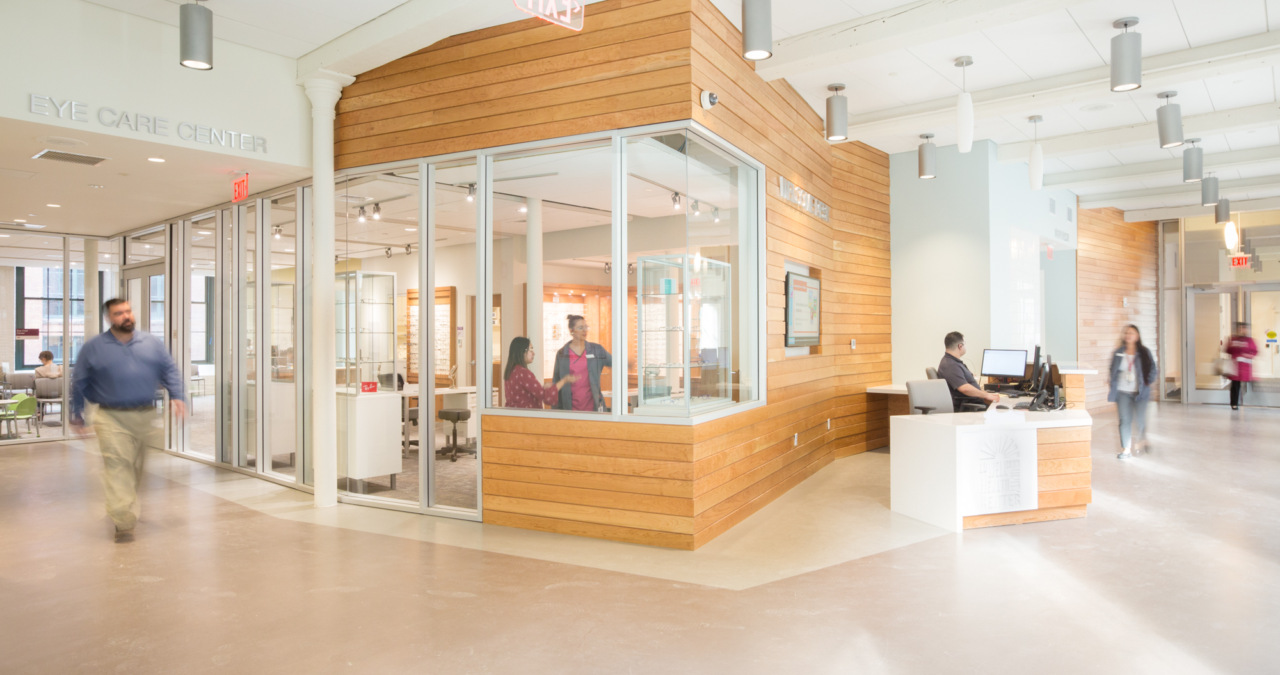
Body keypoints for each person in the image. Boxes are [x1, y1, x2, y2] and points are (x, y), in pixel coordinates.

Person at [71, 299, 185, 541]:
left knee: (135, 469)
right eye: (119, 313)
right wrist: (76, 413)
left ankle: (124, 502)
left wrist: (178, 395)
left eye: (128, 311)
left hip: (145, 415)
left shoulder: (151, 343)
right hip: (110, 416)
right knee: (118, 466)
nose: (126, 316)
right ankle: (123, 521)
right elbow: (79, 381)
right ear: (109, 318)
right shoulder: (94, 347)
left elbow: (169, 370)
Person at [1107, 324, 1156, 460]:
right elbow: (1112, 369)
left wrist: (1147, 382)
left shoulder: (1144, 352)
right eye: (1126, 333)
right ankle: (1126, 449)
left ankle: (1142, 440)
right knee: (1124, 420)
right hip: (1122, 392)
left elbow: (1152, 368)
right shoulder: (1118, 352)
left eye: (1132, 333)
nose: (1128, 335)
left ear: (1137, 336)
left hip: (1140, 392)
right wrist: (1112, 383)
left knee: (1140, 420)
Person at [552, 314, 613, 412]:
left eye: (586, 327)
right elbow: (556, 382)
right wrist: (555, 411)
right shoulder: (562, 354)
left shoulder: (596, 350)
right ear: (572, 331)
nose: (585, 330)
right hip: (570, 410)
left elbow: (615, 363)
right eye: (580, 328)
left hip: (594, 409)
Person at [503, 336, 575, 409]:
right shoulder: (523, 373)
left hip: (513, 417)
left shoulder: (511, 371)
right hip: (526, 418)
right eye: (530, 349)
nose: (533, 353)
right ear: (521, 351)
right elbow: (545, 396)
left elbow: (526, 393)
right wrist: (564, 380)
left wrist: (544, 388)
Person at [937, 331, 999, 412]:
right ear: (960, 346)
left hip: (973, 402)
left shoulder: (952, 362)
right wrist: (986, 395)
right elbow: (965, 389)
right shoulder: (950, 365)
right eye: (964, 344)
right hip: (970, 406)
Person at [1225, 322, 1258, 410]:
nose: (1242, 330)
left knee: (1251, 384)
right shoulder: (1233, 339)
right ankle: (1234, 404)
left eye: (1244, 328)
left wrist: (1248, 355)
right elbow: (1228, 350)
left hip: (1245, 367)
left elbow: (1255, 351)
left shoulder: (1250, 340)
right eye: (1240, 328)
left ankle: (1254, 402)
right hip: (1236, 366)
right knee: (1235, 385)